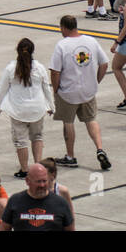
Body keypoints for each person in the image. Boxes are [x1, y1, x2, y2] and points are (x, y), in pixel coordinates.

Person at [49, 14, 111, 170]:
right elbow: (104, 64)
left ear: (63, 27)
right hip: (88, 91)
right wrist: (96, 81)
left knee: (68, 122)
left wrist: (55, 90)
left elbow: (55, 71)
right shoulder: (91, 41)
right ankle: (99, 148)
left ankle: (70, 156)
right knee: (91, 120)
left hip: (68, 92)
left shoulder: (62, 45)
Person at [0, 38, 54, 177]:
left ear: (18, 51)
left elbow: (2, 88)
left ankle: (24, 170)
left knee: (21, 141)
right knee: (37, 137)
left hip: (18, 110)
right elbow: (46, 88)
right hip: (38, 109)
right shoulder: (39, 67)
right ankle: (38, 167)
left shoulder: (11, 68)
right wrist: (51, 106)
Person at [0, 163, 75, 231]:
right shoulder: (15, 201)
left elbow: (70, 229)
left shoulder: (61, 203)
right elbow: (4, 227)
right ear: (27, 181)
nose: (42, 185)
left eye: (44, 181)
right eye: (38, 181)